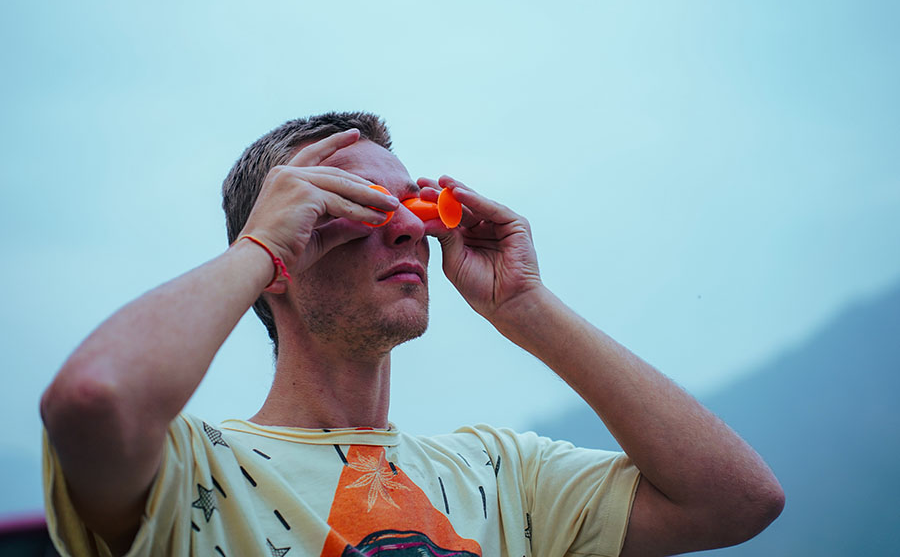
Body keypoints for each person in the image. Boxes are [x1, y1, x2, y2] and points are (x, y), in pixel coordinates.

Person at [41, 112, 784, 557]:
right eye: (356, 205)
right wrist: (256, 251)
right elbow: (94, 398)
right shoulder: (194, 475)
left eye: (414, 204)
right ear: (285, 250)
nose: (405, 226)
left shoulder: (501, 477)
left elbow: (737, 500)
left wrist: (523, 305)